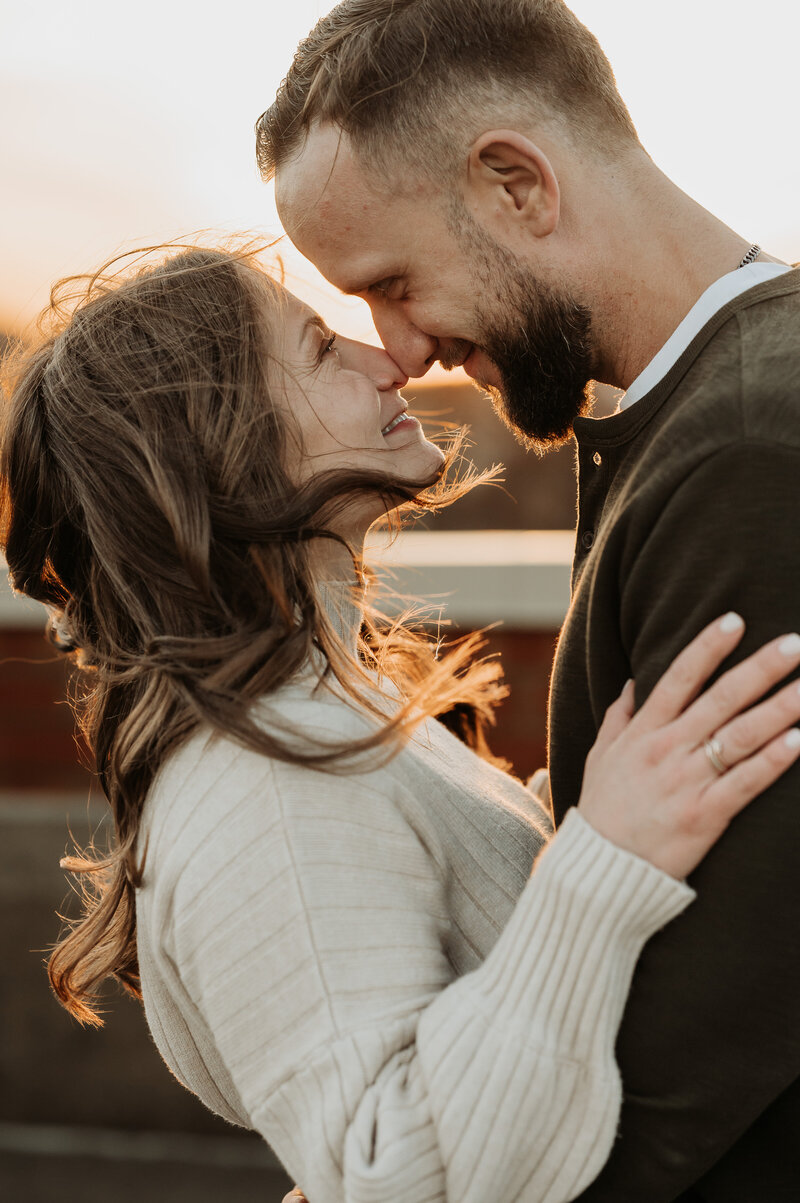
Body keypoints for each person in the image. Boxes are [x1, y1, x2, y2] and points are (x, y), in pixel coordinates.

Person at [2, 244, 800, 1203]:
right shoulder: (268, 792)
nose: (387, 359)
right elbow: (391, 1177)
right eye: (316, 348)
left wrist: (583, 810)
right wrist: (604, 863)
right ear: (225, 444)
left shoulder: (316, 714)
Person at [259, 2, 800, 1197]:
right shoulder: (683, 415)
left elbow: (704, 1030)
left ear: (516, 185)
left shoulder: (753, 446)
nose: (395, 350)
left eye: (393, 282)